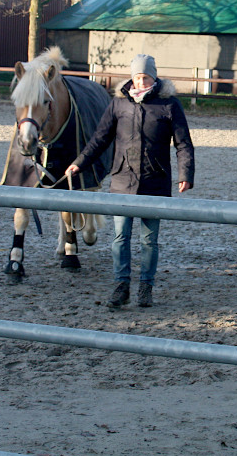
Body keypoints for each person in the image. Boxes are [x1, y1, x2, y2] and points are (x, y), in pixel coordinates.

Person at [65, 54, 195, 309]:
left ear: (154, 78)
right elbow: (100, 139)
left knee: (149, 240)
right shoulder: (118, 104)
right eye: (137, 77)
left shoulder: (169, 105)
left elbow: (183, 143)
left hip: (154, 182)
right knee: (120, 238)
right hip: (122, 181)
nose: (140, 81)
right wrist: (79, 162)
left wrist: (185, 175)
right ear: (131, 77)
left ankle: (146, 286)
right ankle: (121, 285)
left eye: (145, 77)